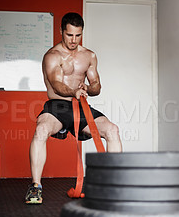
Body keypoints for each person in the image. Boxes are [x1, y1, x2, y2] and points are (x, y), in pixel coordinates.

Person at [25, 12, 122, 204]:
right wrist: (73, 92)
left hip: (81, 105)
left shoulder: (89, 56)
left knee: (112, 130)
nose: (73, 40)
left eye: (78, 35)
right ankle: (35, 187)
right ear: (61, 31)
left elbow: (97, 86)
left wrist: (88, 88)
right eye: (69, 35)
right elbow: (56, 85)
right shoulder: (52, 56)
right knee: (41, 129)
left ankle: (113, 186)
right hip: (57, 106)